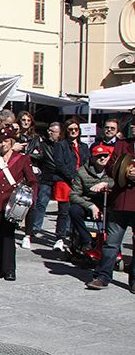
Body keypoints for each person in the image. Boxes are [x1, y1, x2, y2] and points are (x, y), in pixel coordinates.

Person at [0, 125, 36, 282]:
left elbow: (32, 181)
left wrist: (29, 200)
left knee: (8, 235)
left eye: (6, 141)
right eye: (0, 142)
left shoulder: (22, 160)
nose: (3, 145)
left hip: (13, 204)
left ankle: (9, 269)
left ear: (12, 142)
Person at [86, 142, 131, 291]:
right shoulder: (122, 146)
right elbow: (110, 167)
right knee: (111, 242)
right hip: (121, 202)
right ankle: (102, 276)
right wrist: (125, 171)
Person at [72, 146, 112, 281]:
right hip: (89, 201)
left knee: (115, 214)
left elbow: (117, 183)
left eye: (106, 156)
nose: (103, 158)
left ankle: (110, 244)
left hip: (108, 202)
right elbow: (74, 195)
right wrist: (90, 206)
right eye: (99, 156)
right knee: (74, 210)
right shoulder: (82, 171)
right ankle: (86, 239)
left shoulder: (111, 170)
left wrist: (105, 183)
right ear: (92, 158)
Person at [22, 118, 58, 246]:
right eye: (49, 131)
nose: (49, 133)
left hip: (60, 177)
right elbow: (38, 155)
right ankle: (35, 228)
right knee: (40, 202)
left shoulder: (62, 145)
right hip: (46, 177)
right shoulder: (43, 143)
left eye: (52, 131)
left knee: (65, 207)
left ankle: (64, 231)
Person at [52, 120, 85, 251]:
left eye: (75, 129)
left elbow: (86, 162)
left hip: (79, 181)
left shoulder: (83, 146)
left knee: (77, 210)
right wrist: (72, 178)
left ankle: (75, 237)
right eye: (70, 129)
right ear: (66, 131)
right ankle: (60, 237)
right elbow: (59, 164)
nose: (73, 132)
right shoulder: (61, 145)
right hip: (65, 181)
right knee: (64, 211)